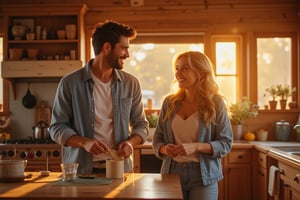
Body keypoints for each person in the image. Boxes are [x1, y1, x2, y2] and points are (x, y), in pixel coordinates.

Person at [49, 20, 149, 174]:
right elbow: (56, 128)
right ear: (107, 47)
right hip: (80, 172)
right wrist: (85, 143)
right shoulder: (70, 83)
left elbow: (141, 125)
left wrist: (130, 143)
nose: (127, 54)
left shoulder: (131, 83)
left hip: (119, 170)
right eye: (124, 48)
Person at [152, 51, 232, 200]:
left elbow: (225, 143)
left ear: (201, 73)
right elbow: (158, 138)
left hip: (203, 176)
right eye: (177, 68)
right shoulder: (169, 102)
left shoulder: (216, 103)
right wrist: (164, 149)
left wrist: (196, 146)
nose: (178, 73)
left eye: (185, 68)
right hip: (171, 173)